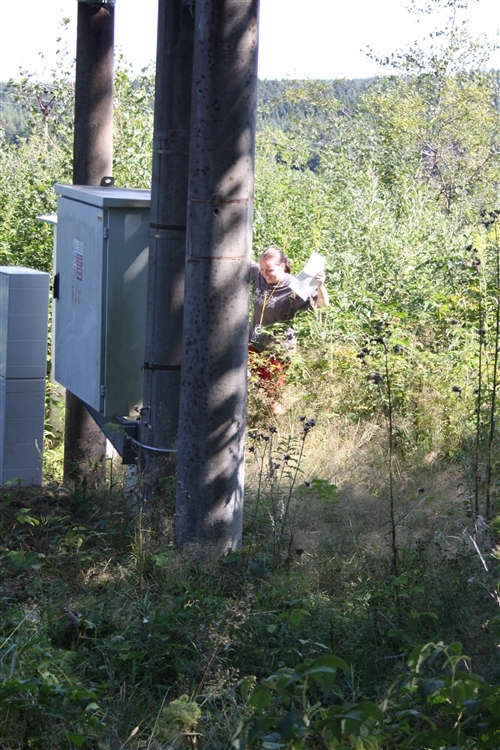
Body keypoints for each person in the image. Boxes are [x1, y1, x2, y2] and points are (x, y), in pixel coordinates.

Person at [248, 245, 329, 411]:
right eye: (262, 269)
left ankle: (272, 428)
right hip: (255, 342)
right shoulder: (259, 273)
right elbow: (237, 263)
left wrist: (320, 286)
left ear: (282, 266)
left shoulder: (295, 286)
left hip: (277, 349)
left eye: (269, 270)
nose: (264, 274)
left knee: (271, 395)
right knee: (242, 379)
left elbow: (322, 305)